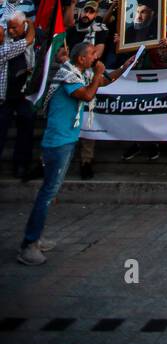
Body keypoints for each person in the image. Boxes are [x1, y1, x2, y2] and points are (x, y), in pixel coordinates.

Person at [18, 40, 125, 265]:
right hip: (58, 141)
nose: (95, 58)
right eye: (91, 55)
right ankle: (29, 243)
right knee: (47, 194)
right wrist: (98, 74)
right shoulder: (69, 76)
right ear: (81, 59)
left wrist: (125, 67)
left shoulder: (77, 72)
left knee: (49, 193)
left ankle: (36, 237)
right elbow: (87, 94)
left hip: (65, 139)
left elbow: (103, 81)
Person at [0, 13, 37, 177]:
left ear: (23, 26)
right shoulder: (4, 46)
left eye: (14, 27)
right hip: (4, 96)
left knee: (26, 128)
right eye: (9, 28)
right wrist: (31, 25)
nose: (11, 31)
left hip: (23, 94)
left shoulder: (32, 40)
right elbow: (27, 40)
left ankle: (21, 165)